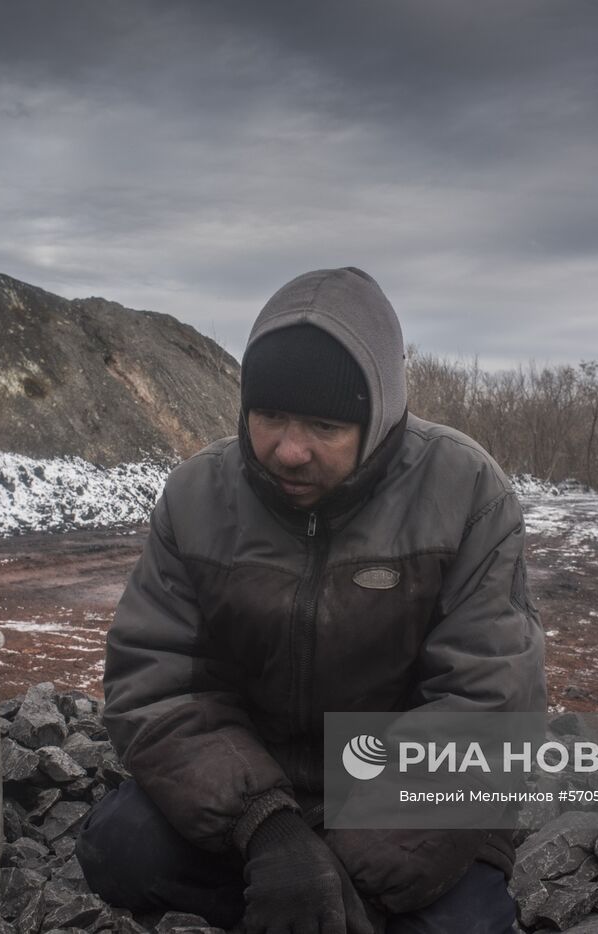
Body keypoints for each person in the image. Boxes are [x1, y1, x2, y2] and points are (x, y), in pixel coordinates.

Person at [77, 267, 546, 934]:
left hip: (404, 806)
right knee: (117, 846)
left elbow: (489, 705)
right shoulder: (196, 497)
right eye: (269, 416)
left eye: (324, 425)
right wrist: (270, 833)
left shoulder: (467, 492)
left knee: (464, 922)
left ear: (377, 418)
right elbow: (157, 685)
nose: (287, 451)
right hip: (254, 788)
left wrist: (350, 871)